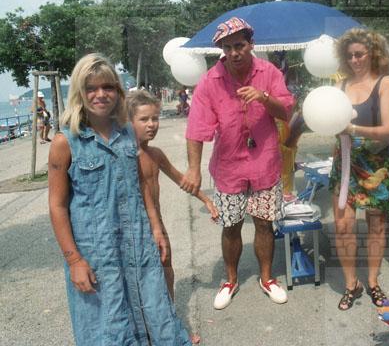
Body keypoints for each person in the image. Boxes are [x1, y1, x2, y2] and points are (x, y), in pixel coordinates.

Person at [48, 53, 192, 345]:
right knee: (108, 325)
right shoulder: (66, 142)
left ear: (118, 91)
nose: (100, 94)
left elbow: (140, 184)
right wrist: (74, 260)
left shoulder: (127, 133)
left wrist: (156, 229)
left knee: (156, 313)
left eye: (108, 87)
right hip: (96, 253)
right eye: (91, 88)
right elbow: (57, 206)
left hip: (139, 243)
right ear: (79, 92)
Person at [181, 17, 294, 310]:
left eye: (239, 45)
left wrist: (264, 97)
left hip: (264, 164)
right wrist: (193, 169)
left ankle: (267, 278)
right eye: (227, 47)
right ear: (221, 49)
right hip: (229, 168)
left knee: (264, 224)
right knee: (231, 226)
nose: (234, 53)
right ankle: (230, 280)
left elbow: (286, 111)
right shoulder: (210, 81)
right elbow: (196, 128)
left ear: (251, 44)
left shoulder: (269, 72)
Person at [329, 28, 389, 310]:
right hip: (345, 161)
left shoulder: (385, 84)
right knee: (343, 226)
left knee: (376, 226)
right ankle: (351, 284)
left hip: (376, 165)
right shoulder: (339, 87)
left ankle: (372, 281)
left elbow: (388, 130)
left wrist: (353, 129)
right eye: (349, 56)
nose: (354, 60)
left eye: (359, 54)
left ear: (373, 53)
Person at [126, 89, 219, 300]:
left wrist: (206, 200)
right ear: (128, 122)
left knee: (167, 268)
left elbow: (181, 180)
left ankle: (170, 312)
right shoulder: (126, 157)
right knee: (141, 278)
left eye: (155, 118)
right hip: (136, 226)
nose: (152, 124)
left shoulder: (155, 154)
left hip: (158, 222)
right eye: (144, 119)